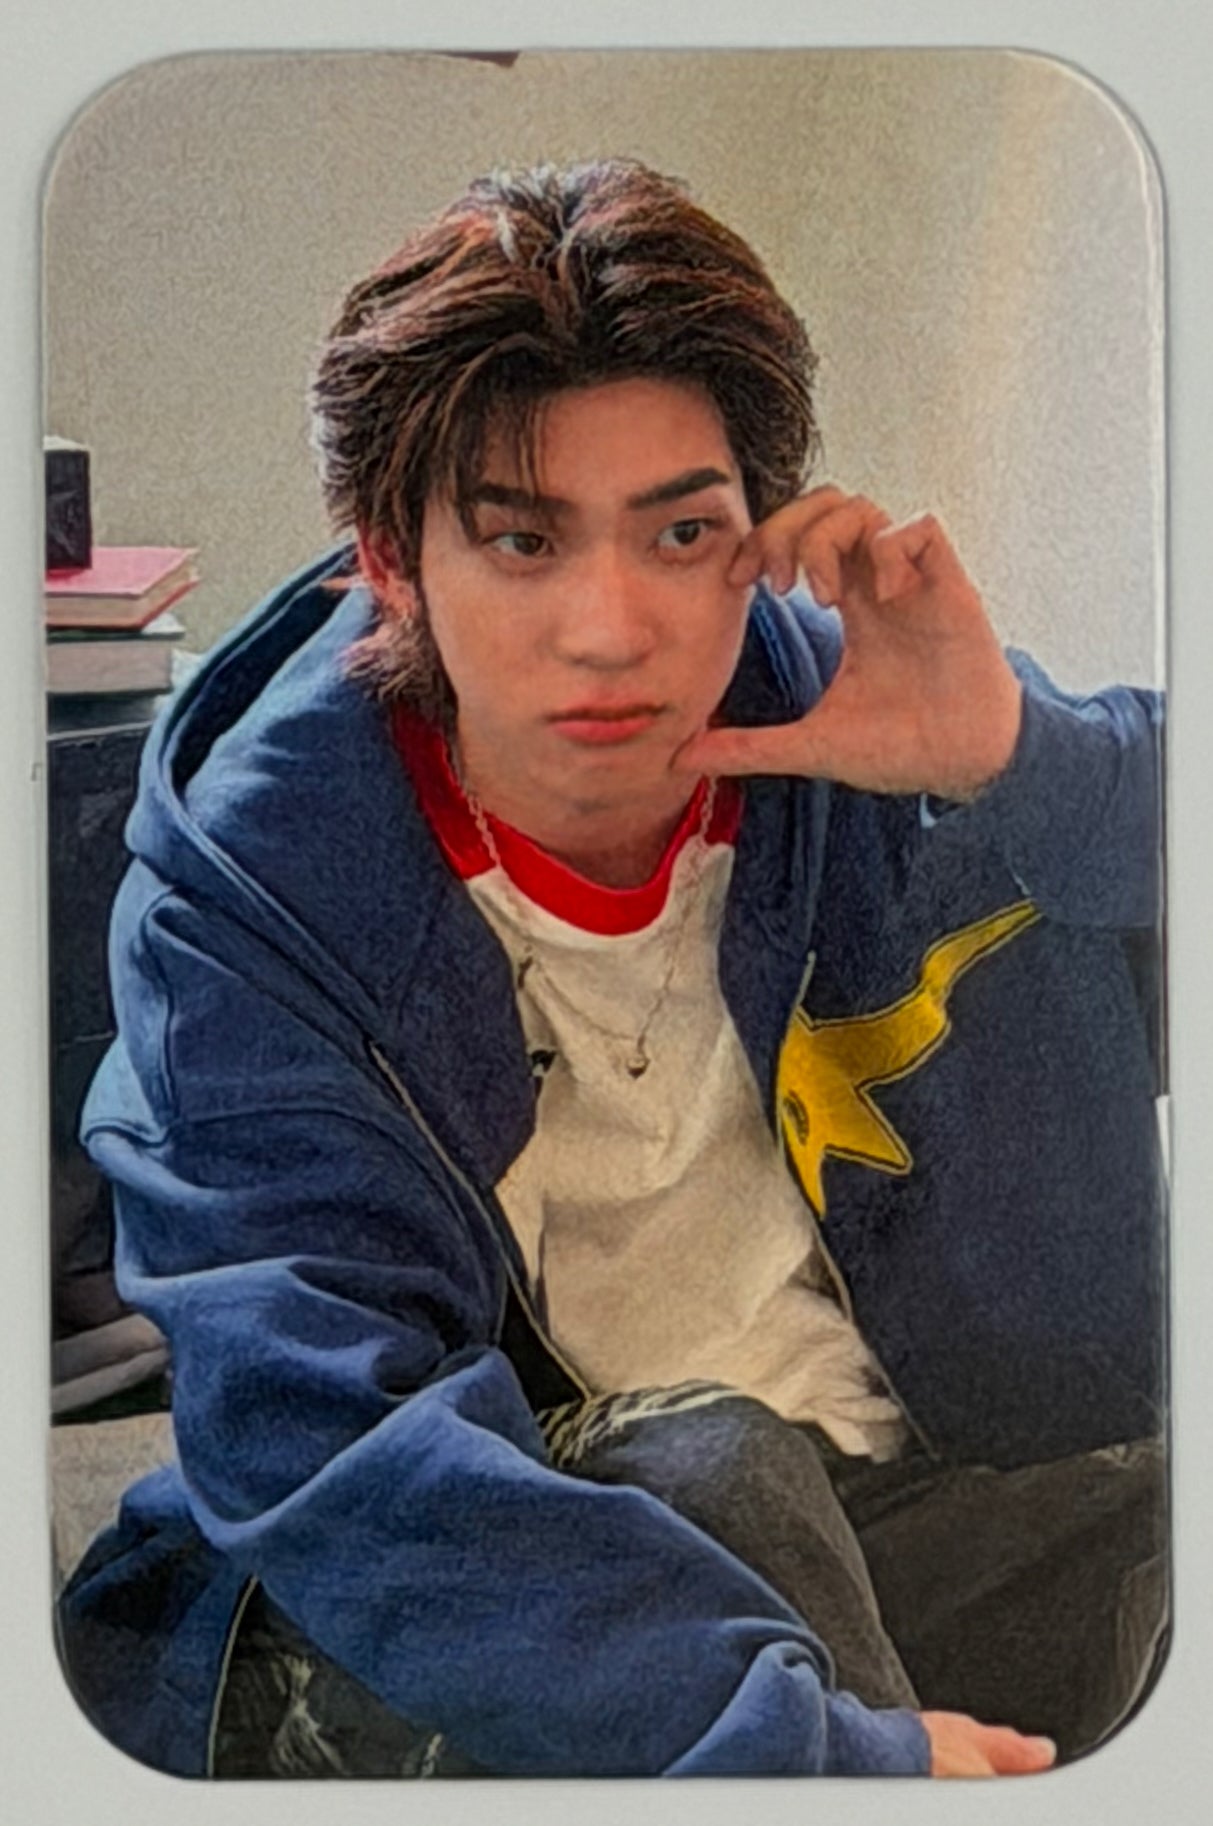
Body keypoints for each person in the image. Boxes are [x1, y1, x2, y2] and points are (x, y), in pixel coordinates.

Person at [57, 159, 1167, 1781]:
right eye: (521, 539)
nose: (609, 625)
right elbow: (330, 1447)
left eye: (681, 533)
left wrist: (1021, 753)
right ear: (388, 558)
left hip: (898, 1501)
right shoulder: (247, 899)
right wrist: (818, 1758)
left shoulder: (872, 730)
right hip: (513, 1577)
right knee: (717, 1463)